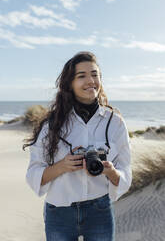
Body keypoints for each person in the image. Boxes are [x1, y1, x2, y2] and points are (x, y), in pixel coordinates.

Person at [23, 51, 132, 241]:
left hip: (100, 210)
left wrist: (111, 172)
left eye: (95, 74)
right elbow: (33, 174)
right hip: (59, 211)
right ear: (69, 84)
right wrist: (62, 167)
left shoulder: (114, 122)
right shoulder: (52, 124)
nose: (90, 81)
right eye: (81, 76)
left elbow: (125, 171)